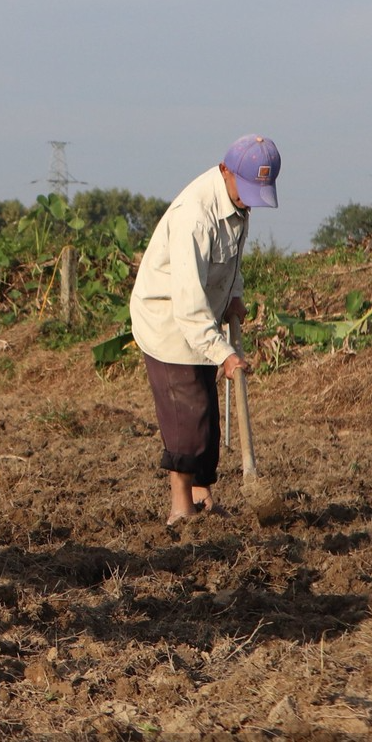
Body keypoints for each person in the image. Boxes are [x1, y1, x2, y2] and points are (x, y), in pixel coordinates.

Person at [128, 135, 283, 526]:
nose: (250, 200)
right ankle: (180, 509)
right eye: (247, 189)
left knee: (208, 418)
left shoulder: (237, 204)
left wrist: (234, 295)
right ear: (225, 170)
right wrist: (226, 355)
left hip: (202, 318)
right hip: (168, 319)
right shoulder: (194, 217)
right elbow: (188, 302)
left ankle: (203, 495)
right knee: (187, 415)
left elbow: (231, 263)